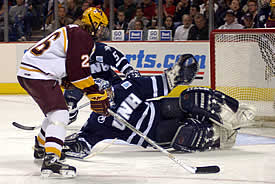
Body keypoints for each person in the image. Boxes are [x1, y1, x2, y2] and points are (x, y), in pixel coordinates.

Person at [62, 54, 253, 160]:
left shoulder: (128, 87)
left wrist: (179, 73)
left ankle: (234, 115)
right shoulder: (97, 121)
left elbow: (166, 81)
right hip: (157, 134)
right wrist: (61, 147)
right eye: (98, 95)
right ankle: (220, 136)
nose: (104, 97)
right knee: (186, 134)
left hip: (161, 110)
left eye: (104, 92)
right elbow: (83, 144)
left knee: (190, 97)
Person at [16, 7, 110, 178]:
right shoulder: (83, 36)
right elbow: (79, 72)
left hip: (31, 71)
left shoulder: (73, 31)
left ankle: (41, 146)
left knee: (55, 114)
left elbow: (69, 66)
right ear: (94, 23)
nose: (102, 30)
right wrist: (94, 92)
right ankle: (51, 158)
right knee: (60, 115)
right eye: (101, 26)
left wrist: (68, 79)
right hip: (39, 73)